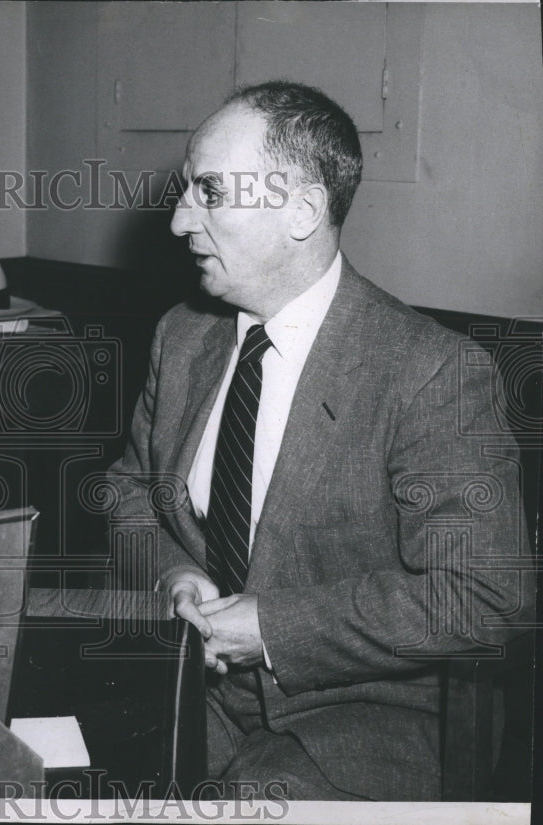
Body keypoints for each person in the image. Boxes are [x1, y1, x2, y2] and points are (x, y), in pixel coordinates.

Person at [106, 81, 532, 800]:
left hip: (365, 719)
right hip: (191, 694)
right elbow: (127, 492)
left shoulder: (430, 371)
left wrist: (271, 626)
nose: (179, 220)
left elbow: (484, 596)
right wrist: (173, 573)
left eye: (209, 192)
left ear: (302, 210)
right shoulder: (183, 336)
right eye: (185, 191)